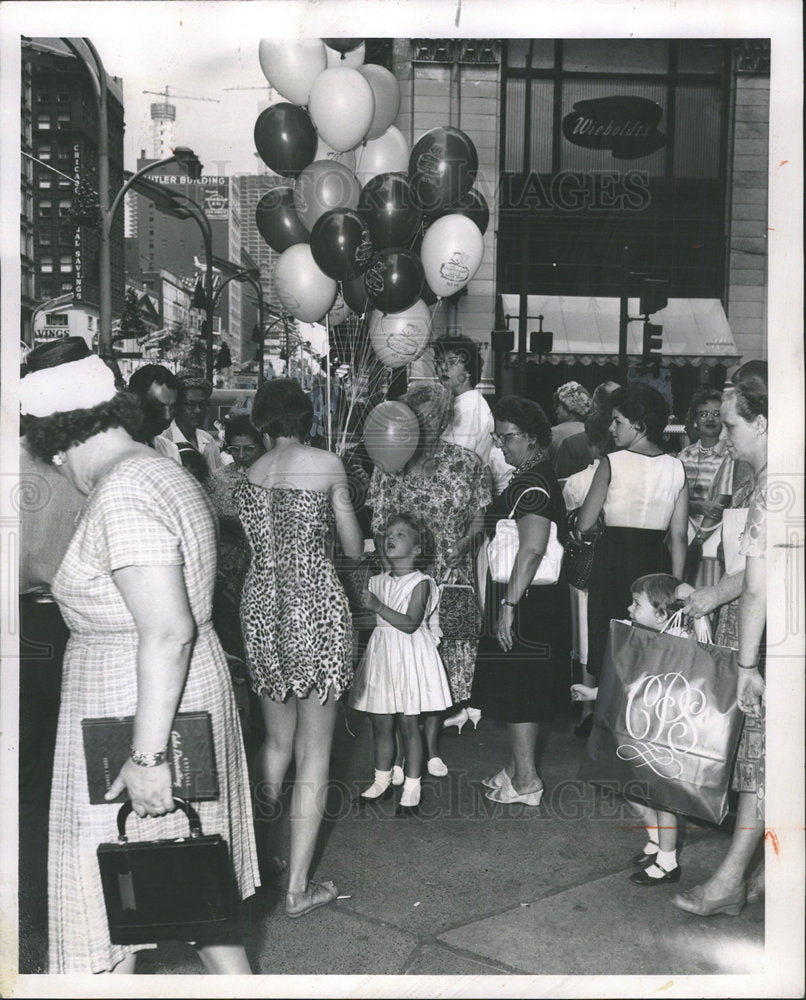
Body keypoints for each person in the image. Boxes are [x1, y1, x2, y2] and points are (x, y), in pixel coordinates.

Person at [20, 343, 258, 974]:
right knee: (188, 889)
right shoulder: (160, 470)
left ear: (58, 441)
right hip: (169, 700)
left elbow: (166, 630)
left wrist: (148, 757)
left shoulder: (121, 490)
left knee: (103, 902)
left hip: (131, 714)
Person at [236, 378, 363, 919]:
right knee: (316, 750)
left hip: (261, 603)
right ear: (305, 418)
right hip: (313, 603)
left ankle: (257, 864)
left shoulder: (248, 476)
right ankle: (298, 891)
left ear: (263, 422)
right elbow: (353, 547)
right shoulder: (327, 464)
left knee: (275, 741)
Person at [672, 361, 768, 917]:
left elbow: (758, 586)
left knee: (759, 761)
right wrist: (711, 596)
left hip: (770, 642)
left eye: (731, 427)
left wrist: (749, 664)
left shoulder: (773, 483)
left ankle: (731, 879)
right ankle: (759, 875)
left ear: (763, 422)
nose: (726, 439)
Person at [367, 382, 491, 775]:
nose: (423, 426)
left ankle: (431, 748)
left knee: (440, 664)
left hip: (450, 575)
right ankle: (406, 750)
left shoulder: (467, 462)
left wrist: (467, 542)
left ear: (443, 421)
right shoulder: (389, 463)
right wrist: (388, 567)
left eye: (430, 419)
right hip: (404, 578)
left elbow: (478, 514)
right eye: (416, 419)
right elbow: (377, 522)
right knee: (403, 662)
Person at [18, 338, 88, 972]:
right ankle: (53, 918)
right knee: (59, 782)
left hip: (19, 631)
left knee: (25, 781)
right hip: (69, 628)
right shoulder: (88, 466)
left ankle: (29, 920)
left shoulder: (14, 462)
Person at [467, 396, 570, 805]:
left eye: (507, 438)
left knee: (522, 690)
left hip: (527, 597)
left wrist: (508, 607)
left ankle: (527, 780)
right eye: (497, 437)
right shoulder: (531, 475)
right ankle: (516, 768)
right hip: (523, 593)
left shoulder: (534, 483)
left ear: (531, 438)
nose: (500, 445)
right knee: (516, 686)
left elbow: (531, 549)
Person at [572, 573, 686, 885]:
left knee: (664, 797)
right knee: (625, 781)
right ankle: (655, 837)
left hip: (664, 733)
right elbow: (630, 682)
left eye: (637, 603)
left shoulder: (678, 643)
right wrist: (596, 693)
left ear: (662, 613)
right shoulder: (642, 637)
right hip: (642, 727)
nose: (630, 608)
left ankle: (667, 861)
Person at [577, 384, 688, 683]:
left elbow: (584, 524)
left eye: (618, 421)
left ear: (639, 424)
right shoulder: (677, 467)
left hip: (613, 559)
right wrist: (675, 586)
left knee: (612, 646)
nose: (612, 428)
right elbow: (678, 536)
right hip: (656, 562)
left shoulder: (612, 462)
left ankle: (606, 716)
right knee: (650, 650)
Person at [349, 513, 452, 814]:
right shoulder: (377, 580)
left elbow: (409, 624)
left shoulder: (421, 583)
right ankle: (381, 780)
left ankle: (412, 785)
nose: (391, 538)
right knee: (381, 723)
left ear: (418, 549)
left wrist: (378, 606)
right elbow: (375, 620)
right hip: (383, 657)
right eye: (388, 534)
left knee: (409, 724)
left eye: (401, 535)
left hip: (409, 657)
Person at [561, 410, 613, 737]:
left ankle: (586, 707)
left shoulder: (578, 481)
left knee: (584, 633)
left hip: (584, 568)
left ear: (592, 446)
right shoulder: (625, 473)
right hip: (616, 563)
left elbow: (571, 522)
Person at [204, 416, 266, 661]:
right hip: (228, 570)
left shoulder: (273, 476)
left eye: (250, 449)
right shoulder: (217, 479)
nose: (242, 455)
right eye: (235, 449)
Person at [676, 388, 743, 589]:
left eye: (716, 414)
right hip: (683, 529)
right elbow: (672, 498)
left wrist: (699, 539)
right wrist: (697, 506)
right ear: (695, 419)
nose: (710, 419)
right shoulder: (684, 455)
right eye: (704, 414)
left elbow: (721, 502)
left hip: (715, 531)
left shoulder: (730, 454)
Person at [435, 332, 514, 495]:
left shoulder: (470, 407)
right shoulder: (458, 402)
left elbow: (455, 461)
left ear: (469, 370)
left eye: (452, 362)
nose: (443, 367)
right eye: (439, 362)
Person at [155, 371, 223, 474]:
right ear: (176, 405)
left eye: (202, 404)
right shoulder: (162, 441)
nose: (198, 410)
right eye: (190, 405)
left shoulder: (208, 440)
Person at [553, 380, 618, 480]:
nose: (556, 410)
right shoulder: (630, 441)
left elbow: (560, 482)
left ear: (595, 404)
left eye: (558, 406)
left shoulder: (572, 443)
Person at [127, 364, 179, 444]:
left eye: (172, 407)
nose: (167, 417)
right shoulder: (111, 449)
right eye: (159, 407)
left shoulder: (170, 449)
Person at [549, 381, 593, 471]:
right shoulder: (592, 431)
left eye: (558, 406)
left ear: (569, 406)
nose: (556, 410)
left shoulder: (553, 432)